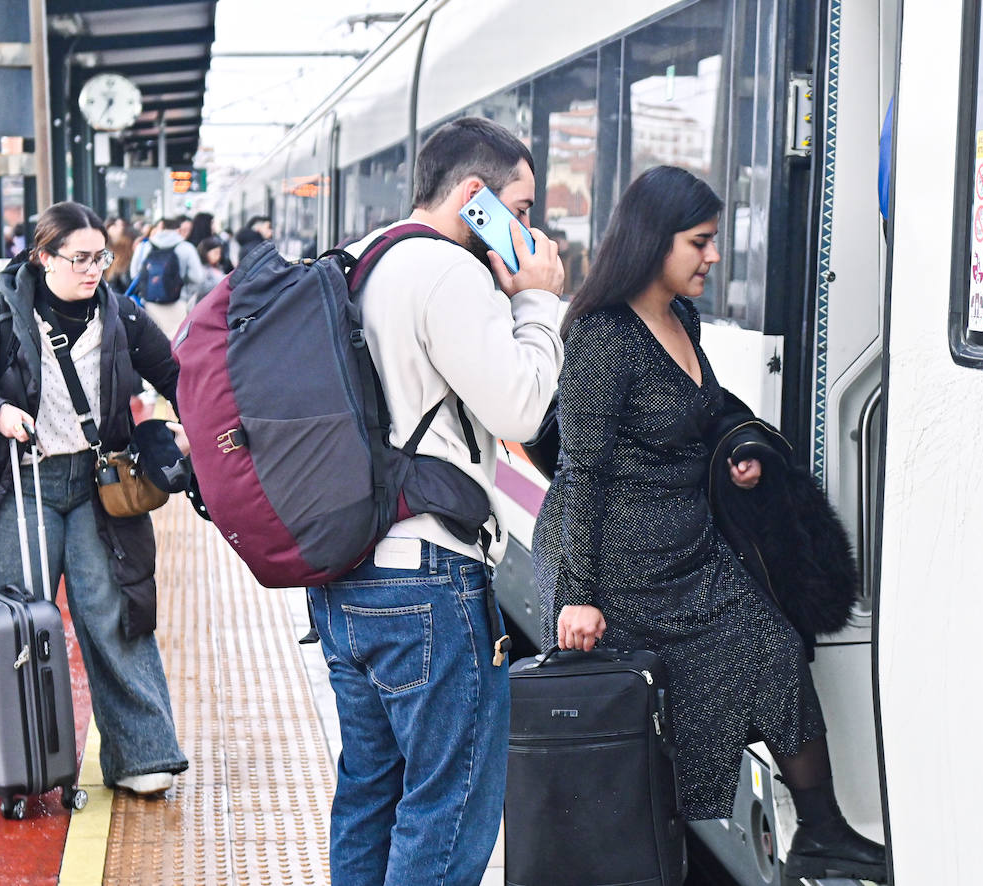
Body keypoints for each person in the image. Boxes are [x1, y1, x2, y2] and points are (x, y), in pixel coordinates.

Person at [533, 166, 887, 882]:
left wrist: (743, 452)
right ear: (653, 243)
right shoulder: (604, 338)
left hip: (691, 552)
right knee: (647, 728)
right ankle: (650, 859)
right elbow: (581, 475)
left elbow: (710, 406)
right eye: (700, 242)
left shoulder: (682, 319)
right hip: (623, 572)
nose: (713, 256)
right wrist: (576, 594)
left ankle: (821, 833)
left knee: (777, 653)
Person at [307, 116, 563, 886]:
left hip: (346, 575)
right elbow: (519, 408)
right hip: (427, 577)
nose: (526, 228)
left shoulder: (357, 259)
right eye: (518, 209)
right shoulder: (450, 273)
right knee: (448, 806)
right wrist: (539, 302)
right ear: (474, 196)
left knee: (369, 791)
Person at [0, 201, 190, 796]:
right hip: (22, 485)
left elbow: (178, 377)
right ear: (43, 257)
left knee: (116, 613)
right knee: (22, 624)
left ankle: (144, 754)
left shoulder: (122, 317)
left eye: (101, 257)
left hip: (100, 489)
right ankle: (18, 755)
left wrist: (195, 421)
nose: (94, 269)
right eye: (80, 258)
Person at [129, 214, 203, 338]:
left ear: (160, 227)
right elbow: (197, 277)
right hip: (178, 303)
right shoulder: (186, 248)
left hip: (149, 304)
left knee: (153, 343)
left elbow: (134, 274)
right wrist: (186, 296)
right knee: (177, 343)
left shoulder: (143, 247)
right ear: (178, 229)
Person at [193, 236, 226, 304]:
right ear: (205, 253)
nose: (218, 256)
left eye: (219, 253)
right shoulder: (201, 269)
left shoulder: (219, 267)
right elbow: (202, 288)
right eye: (215, 253)